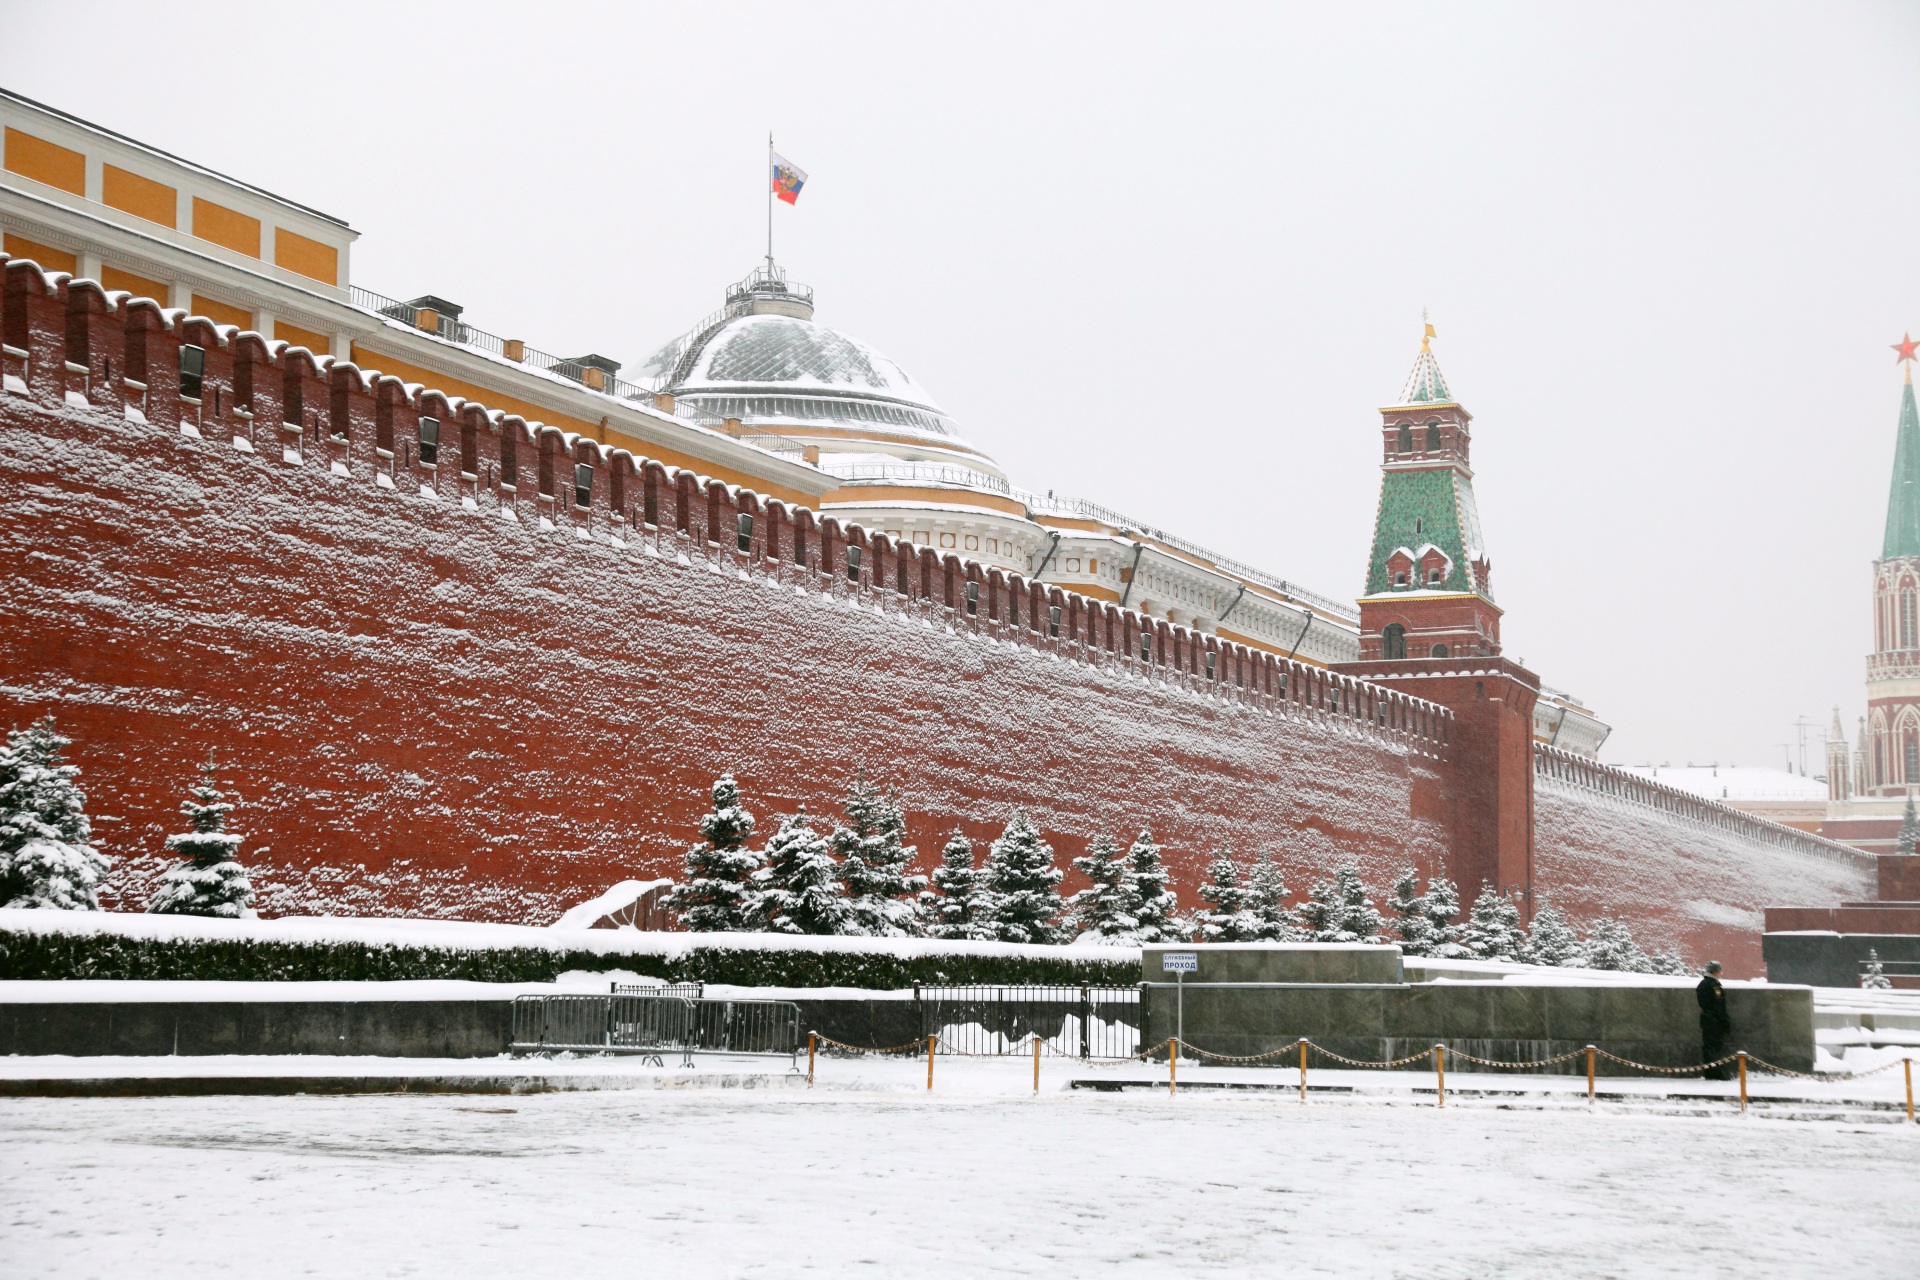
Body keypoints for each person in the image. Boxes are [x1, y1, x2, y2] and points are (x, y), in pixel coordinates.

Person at [1696, 961, 1732, 1080]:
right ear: (1715, 972)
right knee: (1714, 1048)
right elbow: (1719, 1005)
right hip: (1715, 1021)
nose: (1720, 973)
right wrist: (1725, 1021)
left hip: (1706, 1020)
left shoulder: (1702, 984)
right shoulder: (1714, 985)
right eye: (1719, 971)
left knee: (1708, 1047)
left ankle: (1709, 1072)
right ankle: (1715, 1073)